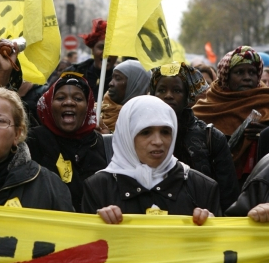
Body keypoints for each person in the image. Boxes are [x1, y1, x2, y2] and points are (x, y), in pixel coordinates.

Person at [82, 95, 221, 224]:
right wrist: (98, 224)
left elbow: (220, 248)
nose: (158, 141)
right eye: (146, 132)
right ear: (127, 135)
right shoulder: (99, 188)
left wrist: (212, 227)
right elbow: (85, 246)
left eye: (165, 132)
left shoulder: (202, 187)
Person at [149, 62, 239, 212]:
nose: (168, 95)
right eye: (162, 90)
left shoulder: (211, 137)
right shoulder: (139, 134)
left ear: (187, 96)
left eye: (177, 90)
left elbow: (228, 196)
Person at [26, 73, 107, 212]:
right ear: (49, 105)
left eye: (78, 98)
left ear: (88, 107)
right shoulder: (34, 140)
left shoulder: (102, 144)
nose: (69, 102)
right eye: (60, 97)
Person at [193, 46, 269, 185]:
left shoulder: (265, 99)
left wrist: (265, 134)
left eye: (252, 72)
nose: (247, 77)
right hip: (215, 183)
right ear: (226, 76)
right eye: (239, 72)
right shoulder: (207, 107)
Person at [66, 19, 117, 100]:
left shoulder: (122, 79)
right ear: (92, 50)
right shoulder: (72, 73)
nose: (106, 54)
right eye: (101, 47)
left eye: (111, 49)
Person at [100, 60, 151, 132]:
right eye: (112, 78)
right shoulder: (95, 112)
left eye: (118, 78)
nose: (110, 83)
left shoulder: (148, 122)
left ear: (136, 85)